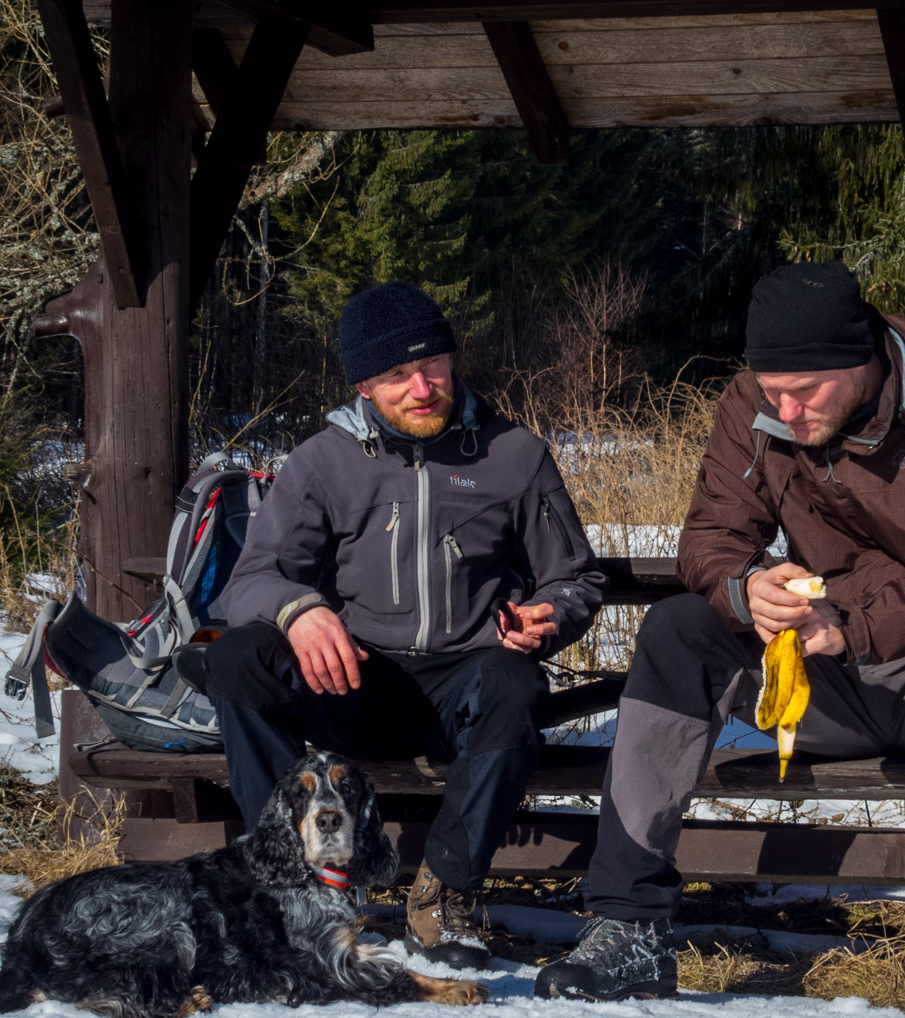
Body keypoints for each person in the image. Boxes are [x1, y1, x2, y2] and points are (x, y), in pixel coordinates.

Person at [535, 261, 905, 1018]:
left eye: (803, 393)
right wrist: (746, 589)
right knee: (678, 628)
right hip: (816, 687)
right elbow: (709, 540)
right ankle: (628, 927)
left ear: (864, 362)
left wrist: (859, 622)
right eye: (771, 390)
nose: (783, 409)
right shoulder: (756, 402)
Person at [205, 281, 606, 969]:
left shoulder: (514, 455)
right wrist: (300, 613)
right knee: (239, 658)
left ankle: (446, 896)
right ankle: (294, 882)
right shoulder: (320, 463)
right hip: (352, 681)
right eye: (396, 374)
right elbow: (252, 581)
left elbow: (577, 578)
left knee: (515, 685)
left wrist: (549, 616)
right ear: (363, 383)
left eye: (434, 365)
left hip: (467, 689)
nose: (422, 386)